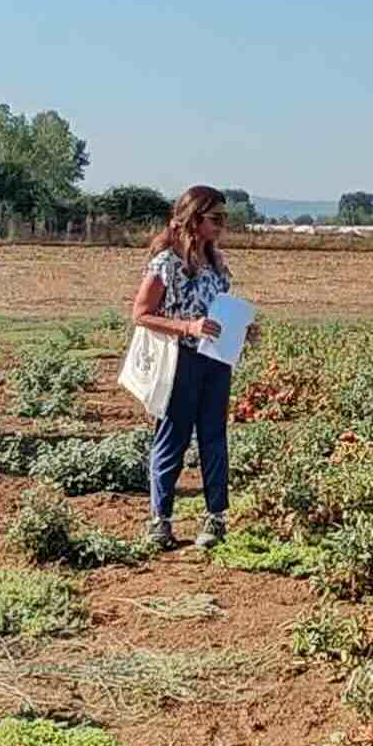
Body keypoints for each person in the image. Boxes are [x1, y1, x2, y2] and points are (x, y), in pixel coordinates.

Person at [128, 185, 259, 552]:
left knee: (214, 439)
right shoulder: (166, 263)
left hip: (216, 360)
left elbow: (218, 310)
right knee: (173, 438)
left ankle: (215, 518)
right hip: (180, 361)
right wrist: (188, 327)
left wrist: (242, 330)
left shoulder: (218, 265)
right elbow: (141, 314)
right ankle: (160, 520)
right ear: (194, 219)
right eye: (216, 218)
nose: (222, 225)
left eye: (224, 219)